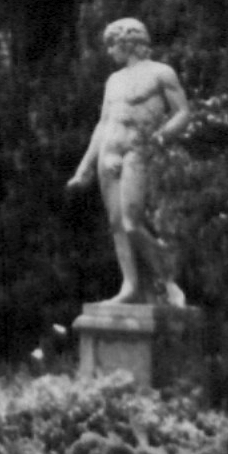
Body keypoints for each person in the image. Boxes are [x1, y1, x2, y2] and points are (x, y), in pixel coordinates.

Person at [67, 17, 192, 308]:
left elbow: (183, 113)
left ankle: (167, 272)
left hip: (138, 149)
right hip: (109, 152)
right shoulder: (114, 80)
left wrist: (158, 140)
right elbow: (103, 124)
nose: (110, 51)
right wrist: (84, 168)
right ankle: (131, 285)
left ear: (128, 42)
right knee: (116, 224)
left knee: (131, 221)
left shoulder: (161, 73)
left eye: (112, 44)